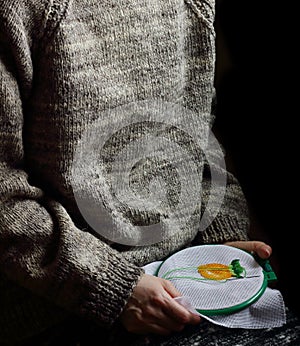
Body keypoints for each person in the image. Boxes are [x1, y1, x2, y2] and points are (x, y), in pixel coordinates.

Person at [0, 1, 299, 345]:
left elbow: (196, 139)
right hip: (60, 303)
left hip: (185, 275)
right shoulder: (21, 10)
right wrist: (115, 289)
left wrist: (218, 241)